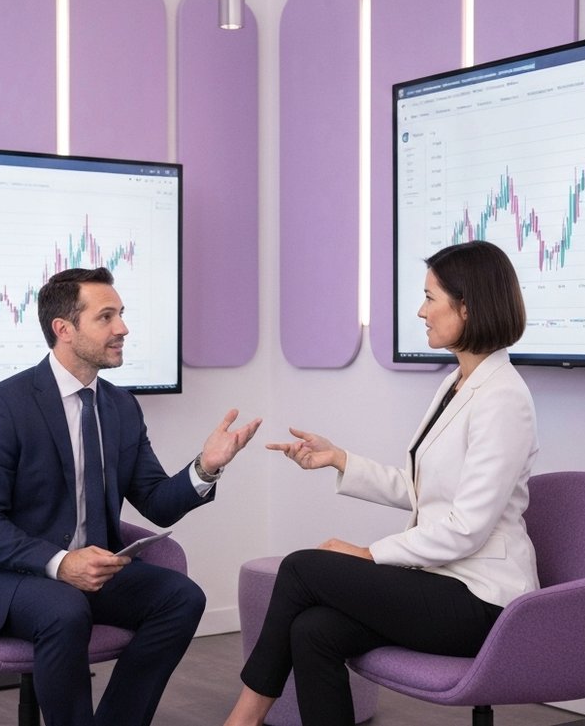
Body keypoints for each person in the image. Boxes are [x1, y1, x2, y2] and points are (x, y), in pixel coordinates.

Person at [223, 240, 540, 726]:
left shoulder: (503, 399)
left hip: (481, 601)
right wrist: (339, 460)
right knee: (313, 630)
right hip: (443, 584)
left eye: (431, 298)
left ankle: (242, 720)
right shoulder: (457, 384)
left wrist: (369, 553)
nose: (421, 311)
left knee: (304, 568)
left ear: (468, 305)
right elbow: (424, 489)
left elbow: (468, 528)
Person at [0, 266, 262, 726]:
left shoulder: (120, 405)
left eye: (121, 314)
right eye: (106, 317)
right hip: (9, 576)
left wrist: (206, 466)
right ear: (64, 329)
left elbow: (156, 500)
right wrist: (61, 563)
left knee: (182, 598)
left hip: (91, 570)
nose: (123, 328)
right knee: (64, 608)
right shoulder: (0, 407)